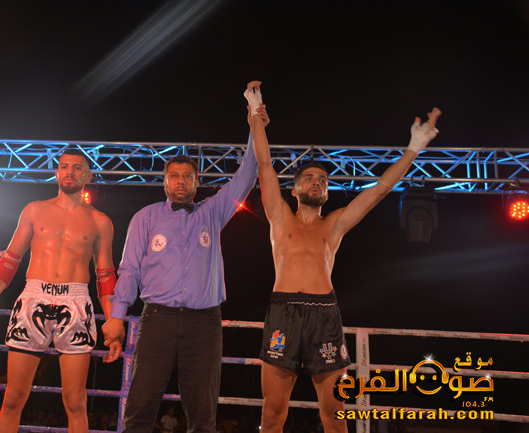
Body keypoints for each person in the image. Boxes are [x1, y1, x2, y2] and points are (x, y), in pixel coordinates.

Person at [246, 80, 441, 433]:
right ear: (295, 189)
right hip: (283, 313)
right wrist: (254, 115)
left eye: (322, 179)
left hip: (324, 315)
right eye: (309, 177)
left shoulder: (335, 223)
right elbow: (264, 164)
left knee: (335, 417)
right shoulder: (280, 216)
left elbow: (380, 190)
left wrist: (414, 148)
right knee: (272, 415)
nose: (316, 182)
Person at [101, 83, 269, 432]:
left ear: (196, 181)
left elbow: (247, 174)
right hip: (157, 319)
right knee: (140, 406)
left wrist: (255, 120)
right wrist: (117, 316)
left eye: (187, 177)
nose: (180, 182)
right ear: (165, 182)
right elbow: (129, 270)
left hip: (204, 323)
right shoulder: (145, 217)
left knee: (203, 413)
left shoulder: (213, 211)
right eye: (174, 176)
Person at [0, 149, 122, 433]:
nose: (70, 172)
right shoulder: (34, 210)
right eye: (64, 166)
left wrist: (113, 321)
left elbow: (105, 275)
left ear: (87, 175)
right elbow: (11, 258)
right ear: (56, 173)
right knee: (13, 398)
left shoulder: (100, 221)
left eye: (77, 168)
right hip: (34, 296)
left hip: (76, 300)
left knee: (76, 402)